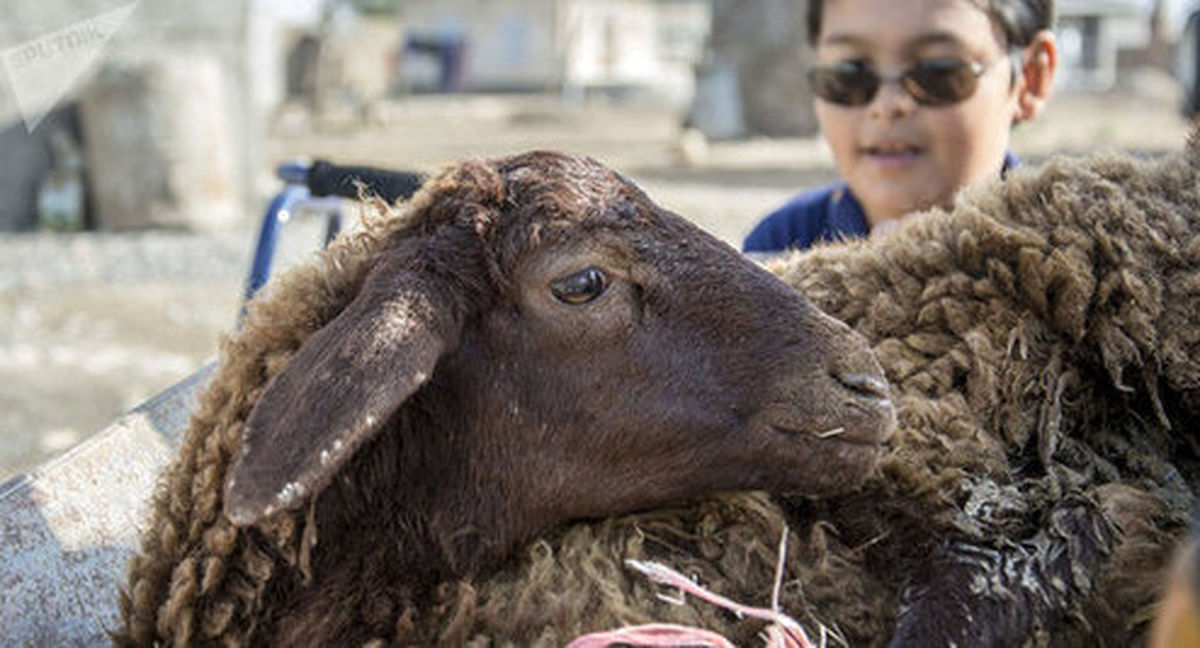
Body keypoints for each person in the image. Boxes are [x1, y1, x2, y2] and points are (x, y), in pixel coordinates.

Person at [743, 0, 1058, 254]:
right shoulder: (781, 247)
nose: (887, 105)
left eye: (937, 71)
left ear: (1031, 77)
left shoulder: (1066, 257)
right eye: (849, 73)